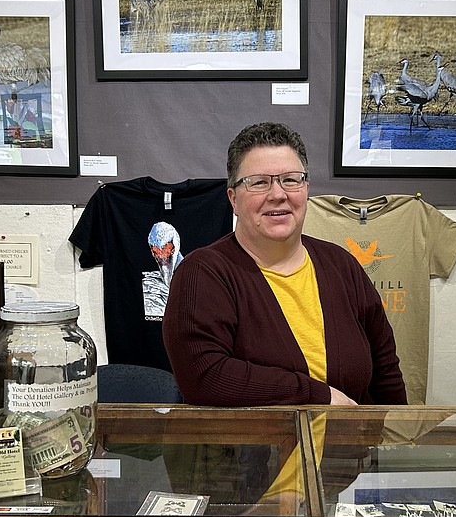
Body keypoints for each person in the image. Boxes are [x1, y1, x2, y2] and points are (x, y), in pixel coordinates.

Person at [163, 122, 407, 406]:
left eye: (291, 180)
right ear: (233, 199)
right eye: (259, 182)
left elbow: (385, 372)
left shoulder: (342, 266)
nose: (278, 194)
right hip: (249, 450)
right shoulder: (203, 273)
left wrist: (395, 443)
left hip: (346, 449)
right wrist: (317, 395)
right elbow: (205, 378)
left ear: (306, 189)